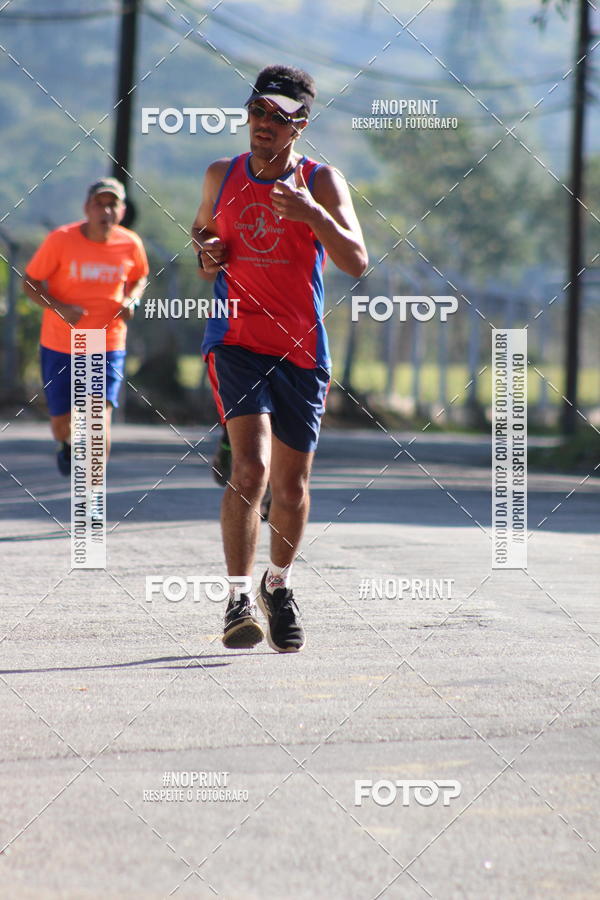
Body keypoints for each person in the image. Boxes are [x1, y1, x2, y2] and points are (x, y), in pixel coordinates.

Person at [191, 64, 367, 653]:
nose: (263, 125)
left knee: (290, 490)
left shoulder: (322, 181)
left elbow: (357, 261)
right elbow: (202, 240)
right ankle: (238, 598)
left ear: (300, 124)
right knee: (251, 469)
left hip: (301, 349)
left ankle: (278, 585)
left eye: (278, 116)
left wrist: (313, 216)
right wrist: (208, 253)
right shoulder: (222, 174)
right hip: (236, 340)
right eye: (257, 112)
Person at [23, 178, 149, 474]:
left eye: (112, 204)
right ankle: (66, 443)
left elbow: (140, 277)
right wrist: (60, 308)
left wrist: (131, 300)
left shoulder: (130, 243)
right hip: (61, 342)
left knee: (96, 418)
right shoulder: (60, 240)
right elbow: (30, 282)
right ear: (87, 208)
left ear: (122, 211)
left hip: (106, 342)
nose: (105, 210)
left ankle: (92, 499)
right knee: (61, 423)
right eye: (99, 203)